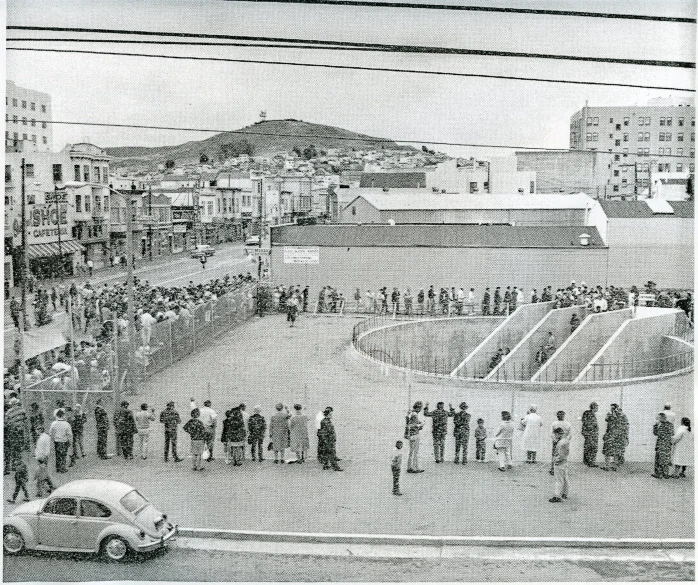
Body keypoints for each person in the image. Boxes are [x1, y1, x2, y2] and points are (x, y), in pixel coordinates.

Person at [601, 403, 626, 471]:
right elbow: (606, 420)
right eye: (611, 408)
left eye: (613, 408)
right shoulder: (610, 415)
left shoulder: (620, 415)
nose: (612, 409)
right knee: (607, 452)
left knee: (615, 451)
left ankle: (614, 466)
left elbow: (622, 424)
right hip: (609, 435)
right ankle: (607, 466)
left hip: (616, 436)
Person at [549, 427, 570, 503]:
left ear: (558, 434)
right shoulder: (565, 441)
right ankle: (565, 493)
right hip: (565, 462)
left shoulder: (560, 443)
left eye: (555, 435)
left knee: (558, 480)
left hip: (559, 463)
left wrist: (556, 461)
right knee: (565, 478)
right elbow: (566, 453)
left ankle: (557, 496)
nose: (554, 436)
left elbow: (560, 454)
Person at [652, 412, 674, 479]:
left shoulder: (661, 425)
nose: (657, 419)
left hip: (661, 445)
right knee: (666, 459)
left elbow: (656, 433)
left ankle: (659, 474)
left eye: (658, 418)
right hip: (667, 445)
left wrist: (655, 425)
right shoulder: (670, 424)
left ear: (662, 418)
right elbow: (673, 433)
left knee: (659, 459)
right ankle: (666, 474)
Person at [50, 409, 72, 473]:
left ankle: (58, 468)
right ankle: (63, 468)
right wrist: (70, 441)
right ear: (63, 415)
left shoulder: (54, 423)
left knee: (58, 455)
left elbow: (51, 432)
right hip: (64, 441)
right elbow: (70, 434)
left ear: (57, 415)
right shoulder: (66, 424)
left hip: (57, 441)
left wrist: (53, 438)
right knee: (63, 455)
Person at [550, 411, 571, 475]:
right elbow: (551, 433)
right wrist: (555, 439)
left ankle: (563, 469)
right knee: (555, 454)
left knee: (563, 455)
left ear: (564, 415)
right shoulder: (554, 423)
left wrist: (566, 440)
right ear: (557, 416)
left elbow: (570, 434)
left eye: (562, 415)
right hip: (557, 441)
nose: (561, 416)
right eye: (559, 415)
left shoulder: (567, 424)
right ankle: (553, 469)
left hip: (563, 442)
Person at [405, 401, 424, 473]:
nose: (420, 410)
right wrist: (420, 425)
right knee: (415, 452)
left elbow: (408, 424)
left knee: (411, 451)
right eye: (420, 408)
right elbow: (413, 425)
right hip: (415, 434)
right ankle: (415, 468)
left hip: (411, 435)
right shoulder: (414, 415)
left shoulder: (410, 414)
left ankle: (409, 467)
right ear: (418, 408)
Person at [581, 402, 599, 467]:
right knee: (591, 447)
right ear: (593, 407)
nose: (597, 408)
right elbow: (585, 422)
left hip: (592, 434)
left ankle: (589, 462)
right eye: (596, 407)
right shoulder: (588, 413)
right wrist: (590, 430)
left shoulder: (592, 414)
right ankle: (590, 462)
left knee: (590, 447)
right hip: (590, 434)